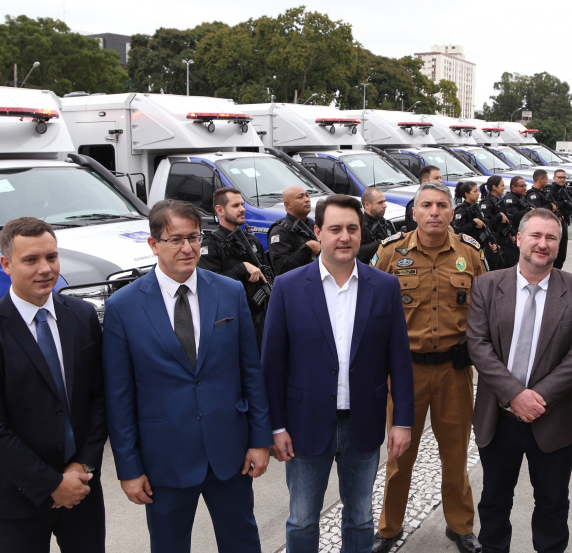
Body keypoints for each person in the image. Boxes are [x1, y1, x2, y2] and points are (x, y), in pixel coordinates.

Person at [103, 199, 272, 553]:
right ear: (153, 244)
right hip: (164, 459)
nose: (187, 248)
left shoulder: (228, 292)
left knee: (242, 541)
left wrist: (260, 439)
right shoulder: (124, 306)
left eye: (194, 237)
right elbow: (119, 396)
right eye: (176, 239)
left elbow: (250, 371)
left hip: (229, 452)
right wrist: (128, 468)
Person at [262, 194, 415, 553]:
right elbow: (272, 365)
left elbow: (399, 361)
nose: (344, 237)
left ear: (361, 233)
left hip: (364, 422)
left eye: (352, 228)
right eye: (334, 229)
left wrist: (402, 422)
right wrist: (275, 426)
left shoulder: (385, 287)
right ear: (317, 232)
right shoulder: (287, 287)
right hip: (304, 424)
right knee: (302, 519)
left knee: (360, 517)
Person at [0, 217, 107, 553]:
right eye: (31, 260)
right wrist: (52, 484)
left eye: (51, 257)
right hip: (16, 499)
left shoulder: (82, 316)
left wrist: (83, 467)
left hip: (81, 488)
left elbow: (99, 398)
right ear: (6, 264)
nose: (45, 269)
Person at [466, 208, 572, 553]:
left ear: (558, 244)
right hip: (499, 418)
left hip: (552, 418)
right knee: (494, 501)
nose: (543, 244)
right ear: (518, 238)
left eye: (551, 238)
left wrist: (537, 397)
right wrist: (515, 395)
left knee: (553, 505)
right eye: (536, 236)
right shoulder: (487, 285)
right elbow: (478, 344)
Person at [372, 182, 487, 553]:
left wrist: (476, 343)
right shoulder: (390, 253)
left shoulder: (470, 253)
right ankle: (388, 528)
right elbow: (371, 308)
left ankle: (460, 526)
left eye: (441, 205)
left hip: (455, 371)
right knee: (399, 455)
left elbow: (486, 304)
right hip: (406, 373)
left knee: (455, 454)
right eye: (426, 205)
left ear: (452, 211)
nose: (434, 212)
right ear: (414, 212)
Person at [199, 188, 273, 346]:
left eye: (242, 204)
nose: (242, 209)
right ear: (220, 210)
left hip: (260, 319)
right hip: (231, 322)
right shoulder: (211, 245)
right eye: (235, 205)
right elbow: (208, 286)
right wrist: (241, 268)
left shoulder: (252, 241)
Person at [269, 185, 321, 275]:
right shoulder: (280, 231)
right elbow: (281, 269)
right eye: (300, 197)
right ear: (288, 205)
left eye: (307, 196)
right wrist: (306, 248)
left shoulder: (312, 224)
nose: (307, 199)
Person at [453, 181, 499, 265]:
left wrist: (489, 242)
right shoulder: (461, 210)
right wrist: (473, 223)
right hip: (468, 250)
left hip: (481, 248)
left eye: (478, 191)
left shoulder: (476, 207)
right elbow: (459, 231)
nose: (478, 193)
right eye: (475, 191)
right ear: (467, 194)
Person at [479, 177, 515, 270]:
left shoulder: (499, 201)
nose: (504, 188)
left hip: (506, 243)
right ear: (494, 187)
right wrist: (499, 216)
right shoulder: (487, 203)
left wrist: (511, 233)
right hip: (497, 244)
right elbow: (487, 224)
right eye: (502, 185)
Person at [357, 187, 396, 264]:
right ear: (367, 205)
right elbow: (357, 253)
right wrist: (380, 243)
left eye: (384, 201)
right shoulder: (359, 227)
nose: (385, 205)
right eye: (380, 202)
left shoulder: (387, 224)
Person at [545, 169, 572, 270]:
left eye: (564, 177)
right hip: (554, 225)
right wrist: (563, 203)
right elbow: (551, 207)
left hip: (564, 223)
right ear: (554, 178)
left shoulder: (565, 189)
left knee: (562, 253)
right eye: (559, 177)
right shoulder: (550, 190)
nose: (562, 179)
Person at [403, 165, 444, 231]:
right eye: (436, 178)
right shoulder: (415, 204)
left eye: (440, 178)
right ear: (425, 182)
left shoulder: (443, 200)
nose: (440, 181)